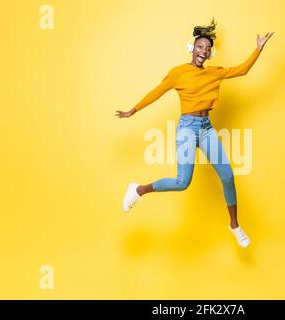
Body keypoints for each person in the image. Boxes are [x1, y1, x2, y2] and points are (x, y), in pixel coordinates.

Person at [115, 18, 274, 248]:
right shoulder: (177, 73)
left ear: (210, 54)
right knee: (182, 182)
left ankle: (234, 225)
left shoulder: (215, 73)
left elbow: (243, 70)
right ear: (192, 48)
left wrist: (258, 48)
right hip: (187, 128)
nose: (204, 51)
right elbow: (156, 92)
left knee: (228, 177)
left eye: (208, 49)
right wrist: (133, 110)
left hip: (206, 128)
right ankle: (139, 190)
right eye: (200, 47)